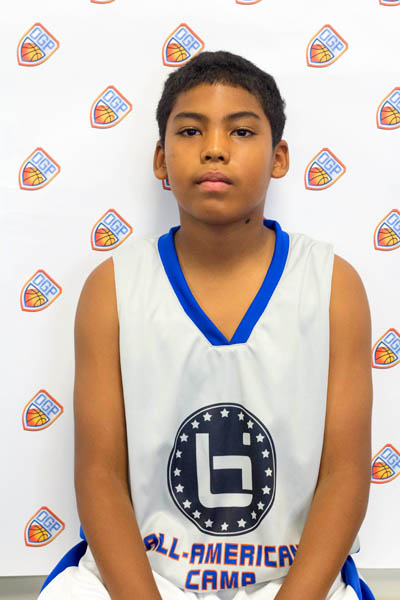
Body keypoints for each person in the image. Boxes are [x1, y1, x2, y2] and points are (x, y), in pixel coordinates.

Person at [38, 50, 375, 600]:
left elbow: (346, 475)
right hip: (146, 577)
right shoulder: (112, 288)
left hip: (290, 580)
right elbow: (100, 475)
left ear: (279, 158)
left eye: (241, 131)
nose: (214, 148)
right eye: (191, 130)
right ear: (160, 160)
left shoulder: (332, 284)